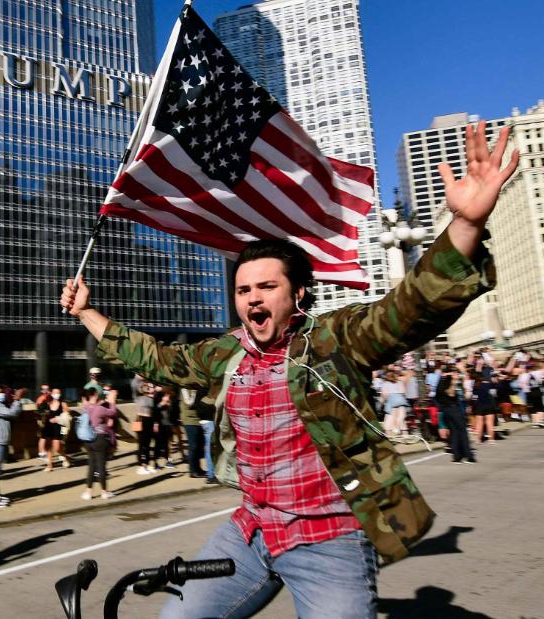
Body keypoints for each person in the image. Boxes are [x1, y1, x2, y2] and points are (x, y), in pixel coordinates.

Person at [60, 120, 516, 619]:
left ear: (297, 293)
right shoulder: (226, 354)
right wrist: (87, 312)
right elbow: (160, 361)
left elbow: (408, 310)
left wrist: (466, 227)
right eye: (242, 290)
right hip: (251, 531)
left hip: (330, 537)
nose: (252, 298)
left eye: (266, 287)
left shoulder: (335, 340)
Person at [80, 386, 116, 500]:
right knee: (101, 466)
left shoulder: (85, 408)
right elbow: (113, 412)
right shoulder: (100, 409)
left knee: (91, 466)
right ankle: (104, 492)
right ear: (95, 394)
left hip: (88, 440)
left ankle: (88, 492)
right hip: (99, 439)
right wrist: (112, 401)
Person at [37, 388, 69, 472]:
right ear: (51, 393)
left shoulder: (63, 404)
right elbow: (39, 409)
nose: (56, 394)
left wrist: (58, 419)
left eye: (58, 393)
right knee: (48, 446)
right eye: (54, 393)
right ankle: (49, 465)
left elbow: (67, 417)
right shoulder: (47, 402)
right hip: (48, 426)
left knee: (57, 447)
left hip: (58, 427)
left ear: (60, 394)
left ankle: (64, 457)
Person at [133, 381, 157, 475]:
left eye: (150, 387)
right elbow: (135, 386)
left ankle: (146, 465)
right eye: (146, 387)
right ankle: (139, 466)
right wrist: (143, 385)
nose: (148, 388)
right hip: (141, 420)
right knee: (141, 444)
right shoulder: (138, 397)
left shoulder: (151, 398)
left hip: (149, 421)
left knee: (147, 445)